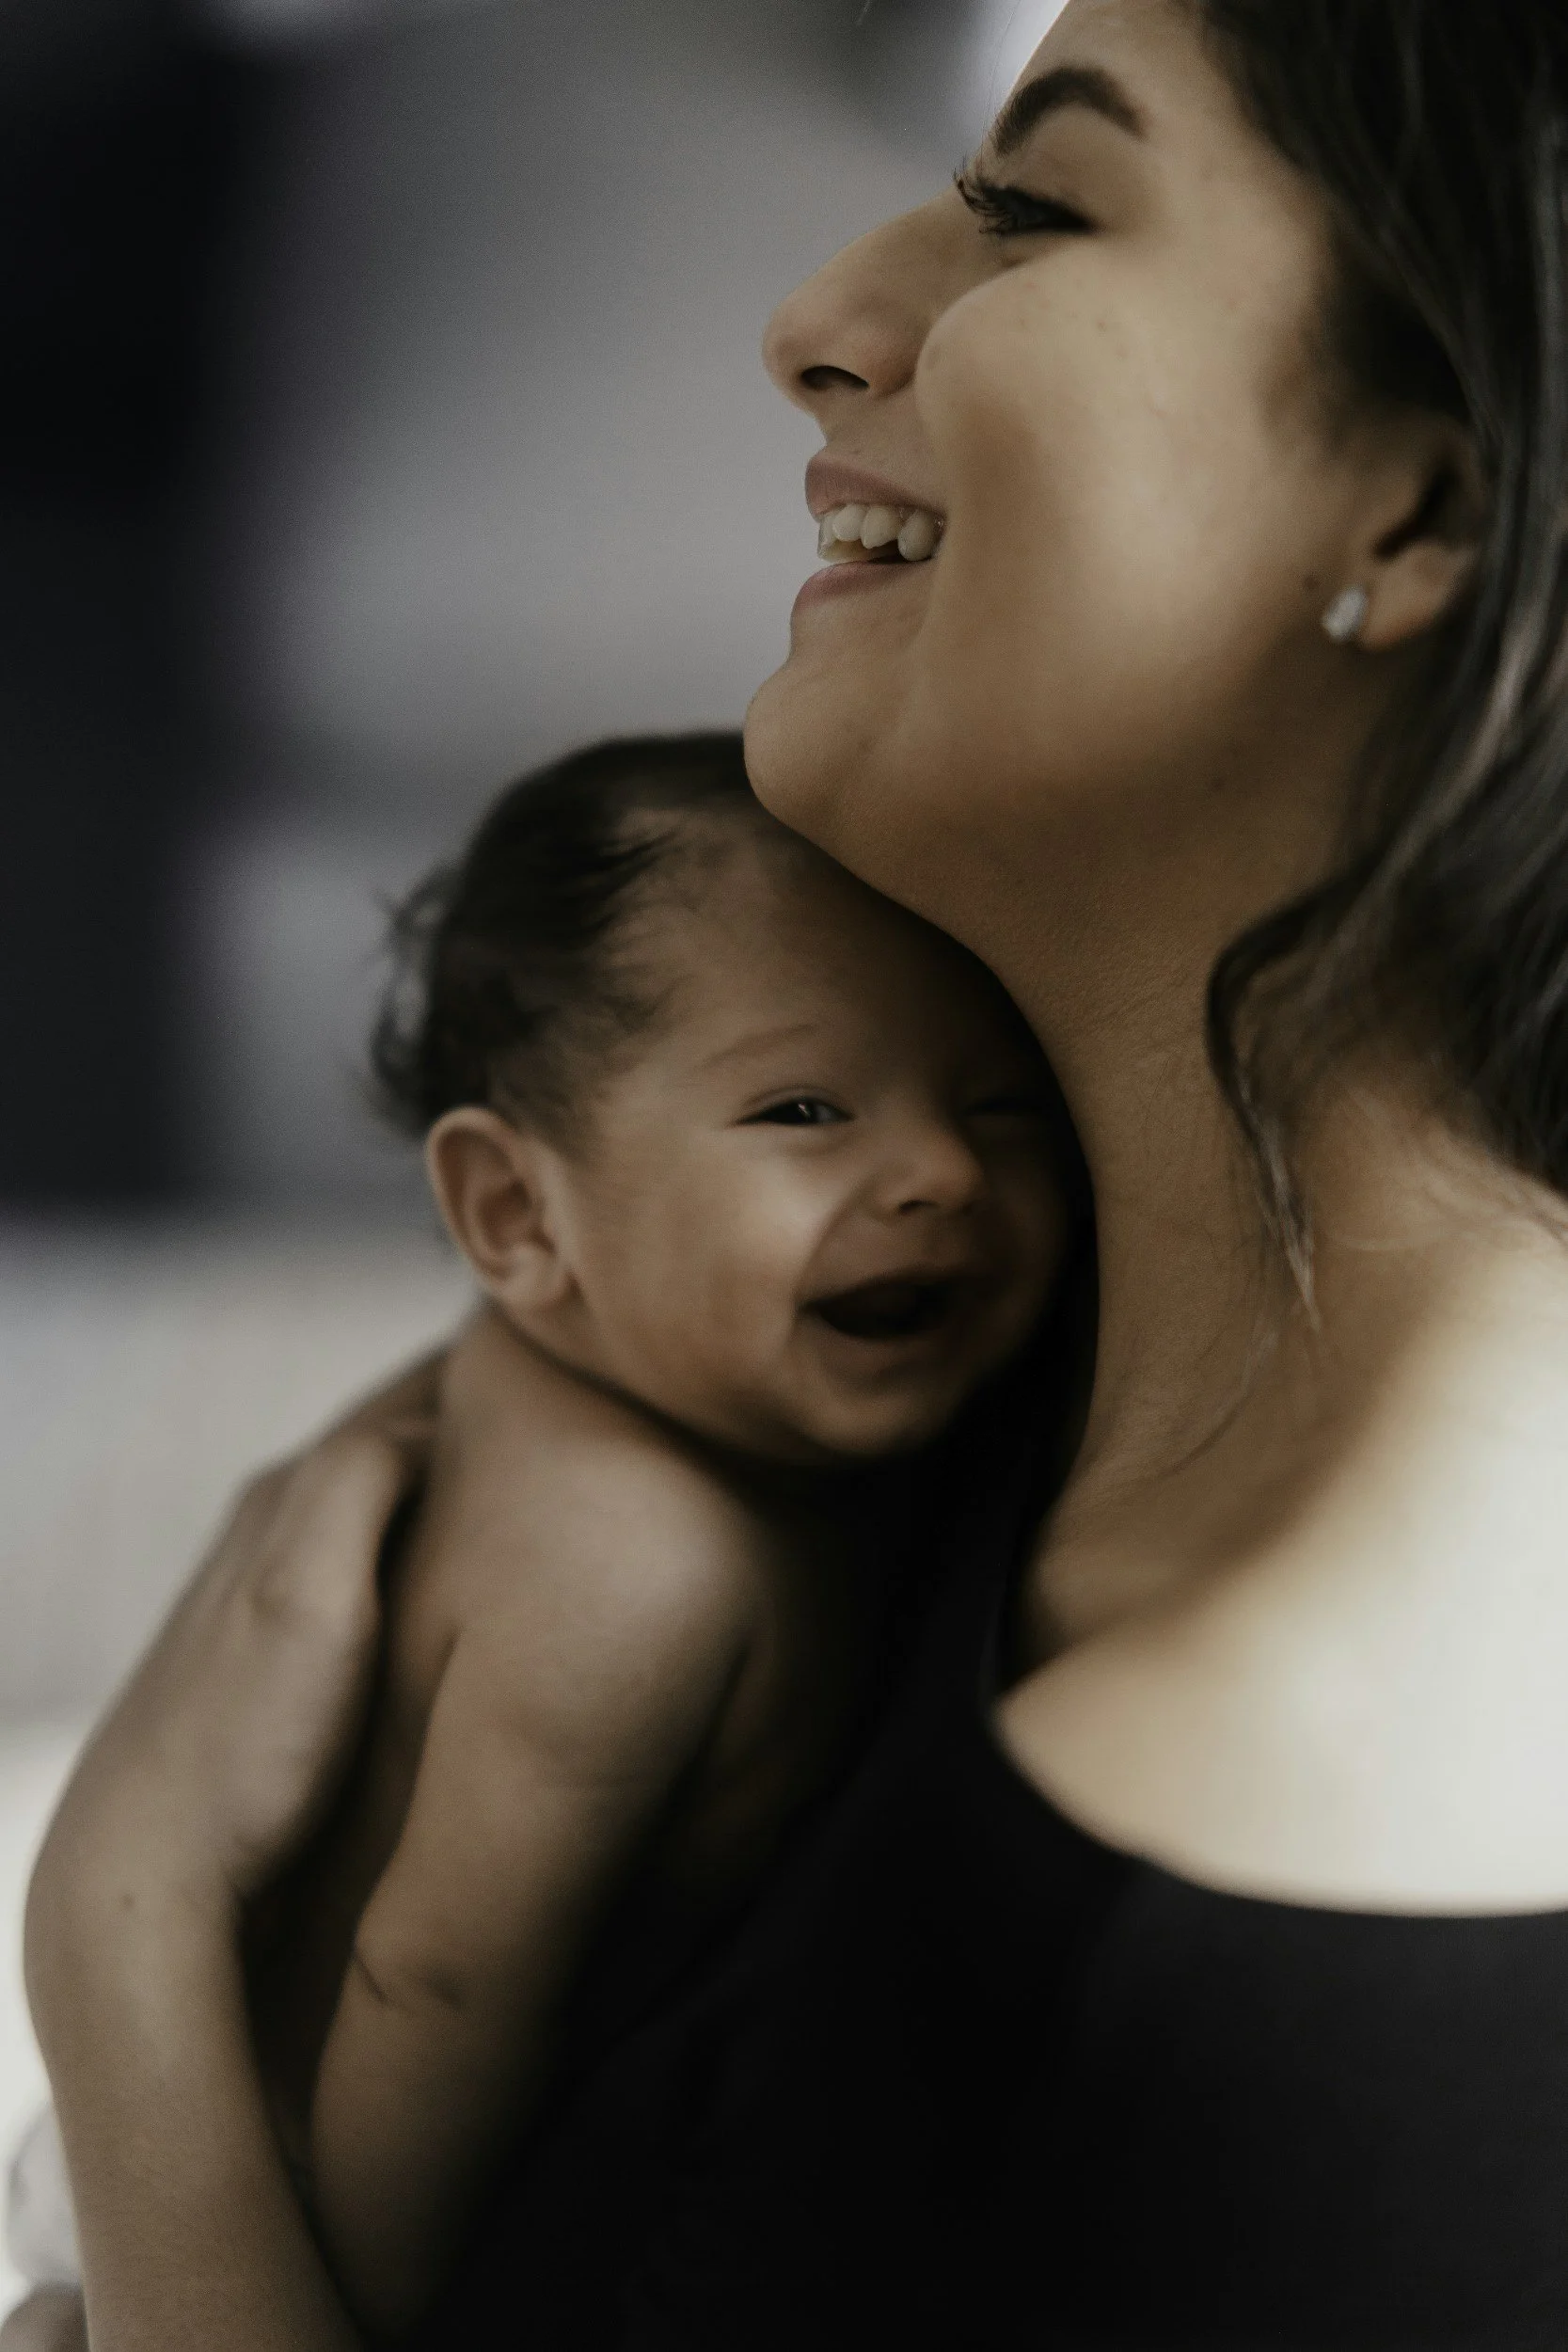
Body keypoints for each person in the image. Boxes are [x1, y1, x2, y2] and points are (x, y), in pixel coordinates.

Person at [16, 0, 1568, 2343]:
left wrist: (121, 1948)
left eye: (1037, 206)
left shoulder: (1232, 1930)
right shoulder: (1006, 1353)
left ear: (1425, 500)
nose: (813, 321)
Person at [6, 733, 1069, 2340]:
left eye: (998, 1104)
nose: (937, 1172)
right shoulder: (639, 1563)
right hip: (280, 2155)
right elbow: (435, 1983)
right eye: (803, 1108)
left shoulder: (582, 1372)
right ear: (515, 1217)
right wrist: (347, 2308)